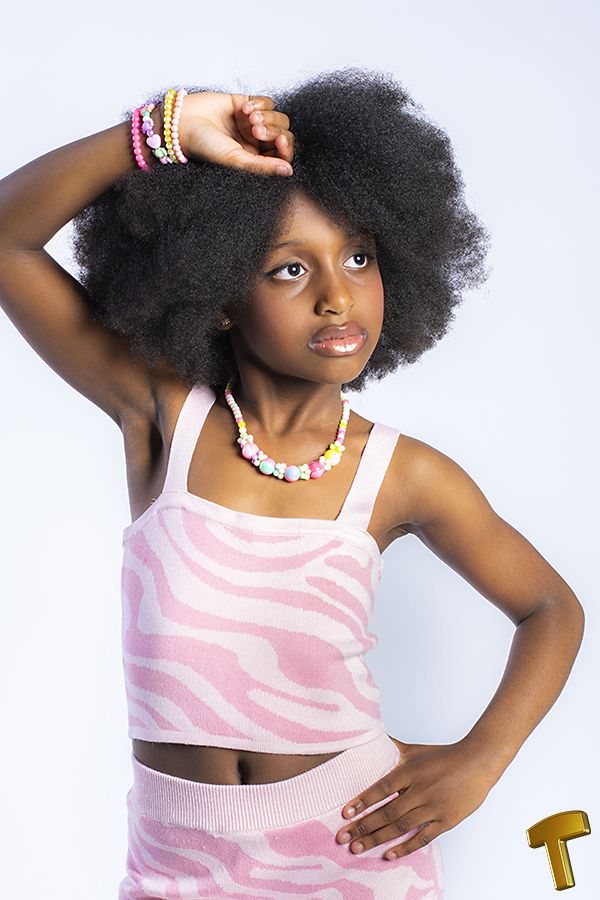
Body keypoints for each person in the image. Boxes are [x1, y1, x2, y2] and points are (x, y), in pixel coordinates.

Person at [0, 71, 583, 899]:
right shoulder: (165, 417)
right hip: (175, 867)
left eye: (358, 257)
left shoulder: (404, 474)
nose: (336, 296)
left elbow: (552, 607)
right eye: (288, 270)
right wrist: (165, 128)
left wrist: (481, 761)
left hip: (354, 849)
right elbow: (8, 240)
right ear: (219, 296)